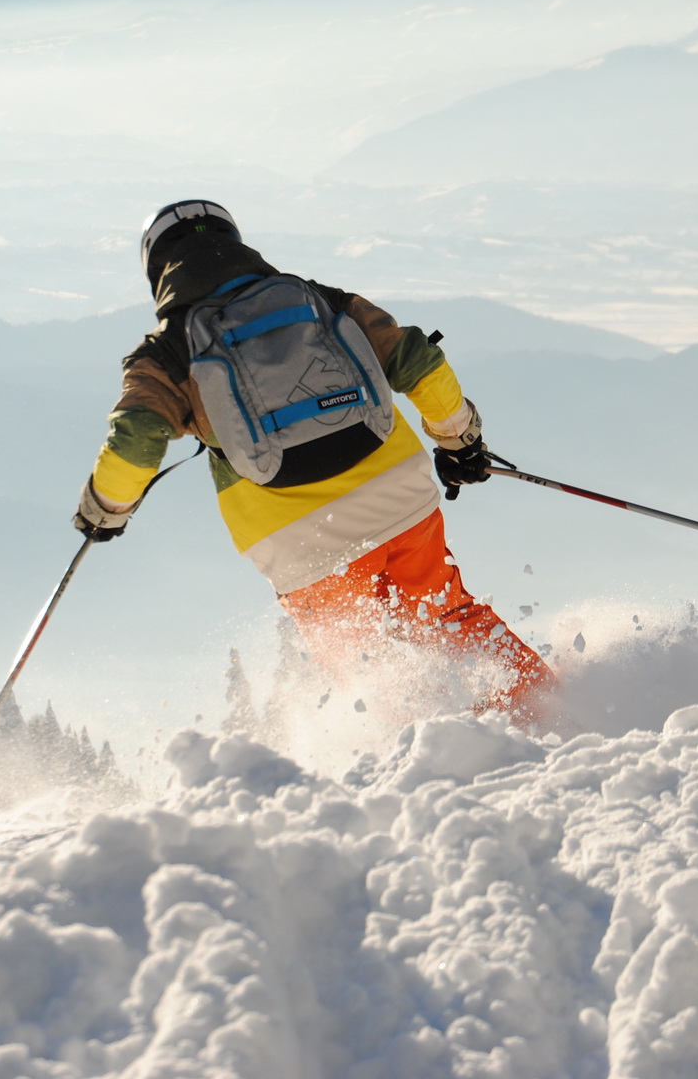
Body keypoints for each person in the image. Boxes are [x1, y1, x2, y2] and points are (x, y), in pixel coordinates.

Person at [73, 199, 555, 726]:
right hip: (397, 496)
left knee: (367, 667)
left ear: (157, 270)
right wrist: (459, 440)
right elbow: (417, 360)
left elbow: (137, 440)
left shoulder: (166, 354)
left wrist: (104, 509)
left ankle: (421, 753)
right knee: (451, 617)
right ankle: (549, 711)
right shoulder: (319, 300)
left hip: (300, 540)